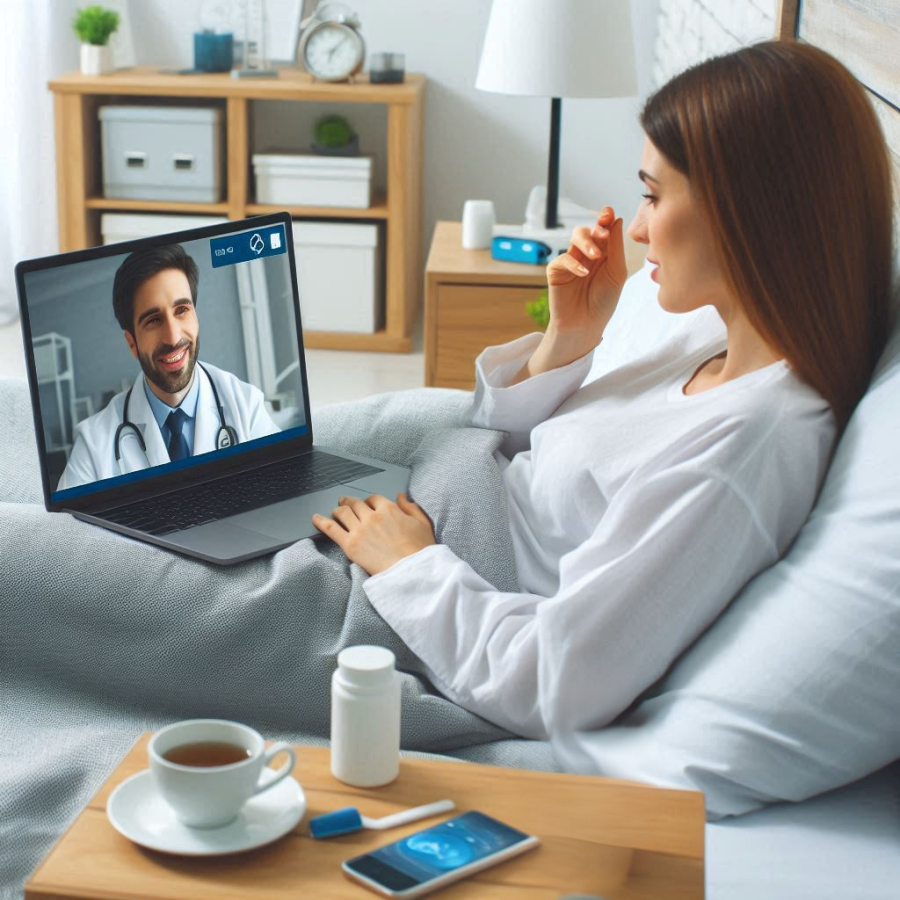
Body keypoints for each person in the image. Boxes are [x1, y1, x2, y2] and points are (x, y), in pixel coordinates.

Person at [312, 41, 895, 770]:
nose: (639, 228)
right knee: (184, 476)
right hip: (408, 511)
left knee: (134, 571)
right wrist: (568, 340)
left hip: (401, 587)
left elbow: (560, 680)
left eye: (653, 194)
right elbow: (514, 445)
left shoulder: (747, 448)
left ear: (750, 212)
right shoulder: (705, 329)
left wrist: (409, 565)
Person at [57, 244, 280, 491]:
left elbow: (282, 494)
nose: (173, 338)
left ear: (196, 317)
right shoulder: (93, 444)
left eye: (182, 310)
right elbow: (65, 530)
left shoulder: (247, 406)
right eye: (153, 320)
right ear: (132, 343)